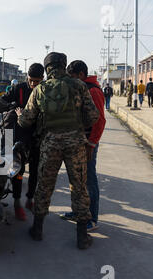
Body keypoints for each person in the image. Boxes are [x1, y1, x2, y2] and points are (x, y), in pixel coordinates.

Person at [17, 52, 100, 250]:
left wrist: (20, 115)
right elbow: (93, 117)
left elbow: (26, 121)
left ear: (47, 69)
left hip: (50, 144)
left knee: (44, 187)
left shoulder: (40, 89)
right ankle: (82, 237)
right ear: (64, 65)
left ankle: (37, 230)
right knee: (79, 187)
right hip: (75, 145)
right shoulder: (79, 86)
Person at [61, 60, 107, 232]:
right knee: (77, 181)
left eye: (73, 77)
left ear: (81, 75)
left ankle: (92, 218)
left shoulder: (93, 91)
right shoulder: (82, 88)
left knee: (89, 181)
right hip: (77, 142)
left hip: (88, 144)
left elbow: (100, 121)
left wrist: (92, 144)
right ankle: (77, 212)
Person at [0, 63, 45, 221]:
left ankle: (30, 199)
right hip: (18, 137)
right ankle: (17, 203)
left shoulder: (46, 91)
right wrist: (9, 105)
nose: (33, 84)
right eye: (31, 80)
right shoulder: (19, 89)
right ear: (27, 78)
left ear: (42, 79)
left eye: (36, 81)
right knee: (17, 171)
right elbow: (1, 102)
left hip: (37, 137)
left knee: (36, 172)